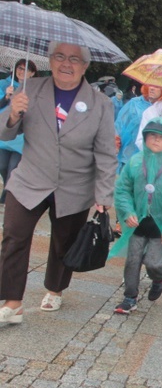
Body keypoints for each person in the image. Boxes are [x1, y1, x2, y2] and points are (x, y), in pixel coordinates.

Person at [0, 42, 117, 322]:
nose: (67, 64)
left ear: (86, 66)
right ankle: (12, 301)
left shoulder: (100, 103)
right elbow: (4, 133)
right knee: (14, 236)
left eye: (75, 59)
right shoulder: (31, 89)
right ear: (50, 61)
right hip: (30, 178)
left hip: (74, 185)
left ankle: (55, 288)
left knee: (64, 243)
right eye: (60, 57)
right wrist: (13, 112)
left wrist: (103, 195)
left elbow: (105, 153)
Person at [109, 117, 162, 314]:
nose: (156, 140)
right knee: (133, 259)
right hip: (137, 223)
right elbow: (122, 189)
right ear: (144, 137)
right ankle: (129, 297)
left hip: (160, 226)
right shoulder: (135, 162)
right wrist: (127, 211)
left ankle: (158, 278)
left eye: (161, 137)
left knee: (153, 261)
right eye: (151, 135)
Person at [0, 59, 37, 204]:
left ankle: (8, 195)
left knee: (13, 169)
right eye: (19, 68)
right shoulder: (5, 85)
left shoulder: (35, 90)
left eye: (26, 69)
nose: (21, 71)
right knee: (2, 165)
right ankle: (7, 188)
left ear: (32, 73)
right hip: (4, 135)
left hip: (21, 139)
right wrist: (6, 97)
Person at [115, 85, 162, 172]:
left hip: (151, 158)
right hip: (128, 154)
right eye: (150, 85)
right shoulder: (134, 103)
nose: (151, 88)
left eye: (156, 86)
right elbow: (119, 124)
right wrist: (116, 142)